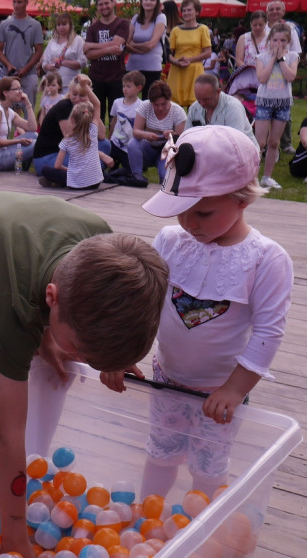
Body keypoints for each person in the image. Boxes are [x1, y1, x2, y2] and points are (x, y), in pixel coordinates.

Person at [0, 192, 169, 558]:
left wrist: (111, 355)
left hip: (0, 264)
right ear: (51, 299)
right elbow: (8, 435)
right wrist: (15, 535)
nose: (82, 360)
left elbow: (109, 309)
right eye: (81, 349)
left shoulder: (105, 249)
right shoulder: (14, 303)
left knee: (44, 346)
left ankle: (50, 336)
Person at [102, 125, 293, 501]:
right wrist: (121, 354)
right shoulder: (171, 242)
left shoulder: (265, 259)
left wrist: (235, 389)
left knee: (208, 467)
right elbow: (146, 305)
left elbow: (268, 332)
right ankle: (149, 521)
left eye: (203, 212)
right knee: (160, 455)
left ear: (243, 199)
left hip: (219, 391)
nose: (189, 223)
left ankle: (199, 531)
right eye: (181, 212)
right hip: (166, 381)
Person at [254, 23, 299, 190]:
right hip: (265, 101)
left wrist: (281, 60)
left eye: (282, 40)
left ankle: (267, 176)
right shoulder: (262, 57)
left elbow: (290, 76)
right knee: (260, 142)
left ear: (288, 42)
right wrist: (273, 58)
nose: (278, 44)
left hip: (283, 102)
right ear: (270, 41)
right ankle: (252, 177)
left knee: (274, 142)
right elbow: (262, 78)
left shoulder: (293, 56)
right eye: (275, 40)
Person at [127, 80, 187, 186]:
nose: (160, 108)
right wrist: (145, 135)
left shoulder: (178, 112)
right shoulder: (145, 106)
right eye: (156, 105)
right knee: (133, 144)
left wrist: (172, 134)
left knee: (165, 177)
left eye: (164, 104)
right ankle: (136, 176)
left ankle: (163, 186)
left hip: (167, 150)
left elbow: (181, 140)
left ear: (169, 100)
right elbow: (136, 131)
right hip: (148, 147)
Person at [38, 100, 106, 189]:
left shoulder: (67, 141)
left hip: (77, 184)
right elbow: (97, 104)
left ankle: (56, 181)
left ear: (72, 119)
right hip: (95, 182)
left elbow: (57, 166)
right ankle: (59, 182)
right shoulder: (93, 131)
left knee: (45, 170)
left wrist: (70, 171)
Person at [84, 0, 129, 123]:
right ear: (97, 8)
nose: (104, 7)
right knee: (96, 114)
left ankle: (115, 141)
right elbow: (88, 54)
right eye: (100, 5)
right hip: (96, 77)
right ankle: (98, 141)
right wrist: (109, 49)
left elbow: (117, 44)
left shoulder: (122, 23)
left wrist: (92, 45)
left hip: (117, 76)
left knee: (117, 115)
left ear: (113, 3)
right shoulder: (93, 28)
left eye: (106, 3)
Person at [0, 0, 45, 108]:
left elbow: (39, 50)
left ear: (26, 3)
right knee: (7, 110)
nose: (16, 5)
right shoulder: (4, 24)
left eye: (19, 2)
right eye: (14, 2)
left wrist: (26, 68)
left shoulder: (35, 25)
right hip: (9, 73)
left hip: (29, 74)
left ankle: (30, 127)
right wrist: (8, 65)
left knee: (28, 108)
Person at [187, 73, 258, 148]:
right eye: (198, 100)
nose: (202, 103)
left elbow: (235, 143)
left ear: (218, 92)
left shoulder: (233, 107)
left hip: (241, 153)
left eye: (206, 99)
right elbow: (187, 137)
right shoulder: (194, 108)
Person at [167, 0, 211, 108]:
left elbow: (207, 52)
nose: (186, 13)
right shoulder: (175, 30)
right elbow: (169, 54)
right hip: (177, 71)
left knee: (196, 105)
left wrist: (189, 59)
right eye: (184, 10)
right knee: (175, 107)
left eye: (189, 10)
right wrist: (176, 62)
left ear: (197, 12)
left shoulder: (203, 29)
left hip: (195, 71)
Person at [0, 76, 38, 171]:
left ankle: (22, 168)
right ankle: (23, 168)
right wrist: (18, 141)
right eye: (16, 89)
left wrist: (28, 104)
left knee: (34, 135)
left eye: (20, 88)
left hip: (3, 151)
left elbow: (32, 128)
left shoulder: (9, 112)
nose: (20, 92)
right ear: (5, 93)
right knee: (36, 143)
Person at [125, 0, 167, 97]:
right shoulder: (135, 18)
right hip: (132, 66)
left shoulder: (160, 18)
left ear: (157, 3)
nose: (148, 2)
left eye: (152, 0)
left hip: (152, 67)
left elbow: (151, 45)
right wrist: (141, 49)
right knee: (129, 100)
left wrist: (133, 46)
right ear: (142, 1)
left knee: (148, 102)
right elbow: (126, 43)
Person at [40, 11, 86, 94]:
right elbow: (44, 61)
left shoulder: (78, 40)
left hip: (69, 85)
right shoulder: (53, 41)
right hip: (52, 85)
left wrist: (62, 62)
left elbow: (83, 62)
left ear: (70, 25)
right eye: (58, 25)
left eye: (64, 24)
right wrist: (48, 66)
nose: (61, 27)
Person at [108, 70, 145, 170]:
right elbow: (114, 121)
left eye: (129, 86)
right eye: (124, 86)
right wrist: (110, 138)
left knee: (129, 172)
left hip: (129, 147)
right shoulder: (117, 103)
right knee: (110, 169)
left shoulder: (141, 106)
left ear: (139, 88)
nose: (125, 89)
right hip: (115, 143)